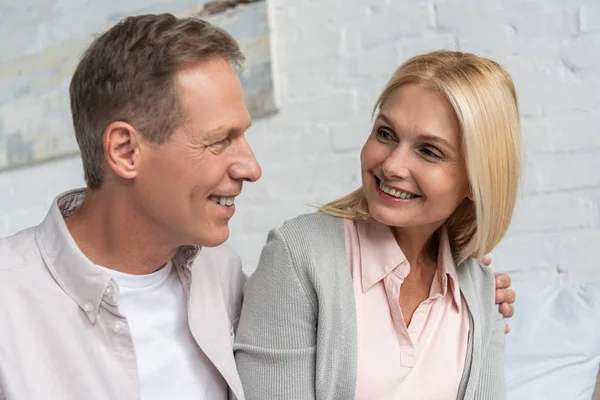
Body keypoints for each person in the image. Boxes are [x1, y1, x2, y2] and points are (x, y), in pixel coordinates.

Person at [0, 15, 515, 400]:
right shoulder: (12, 303)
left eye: (244, 135)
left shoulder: (219, 276)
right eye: (221, 140)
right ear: (125, 151)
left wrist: (478, 288)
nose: (251, 166)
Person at [234, 50, 521, 400]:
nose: (392, 166)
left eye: (429, 151)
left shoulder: (480, 292)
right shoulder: (298, 256)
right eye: (386, 134)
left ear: (476, 182)